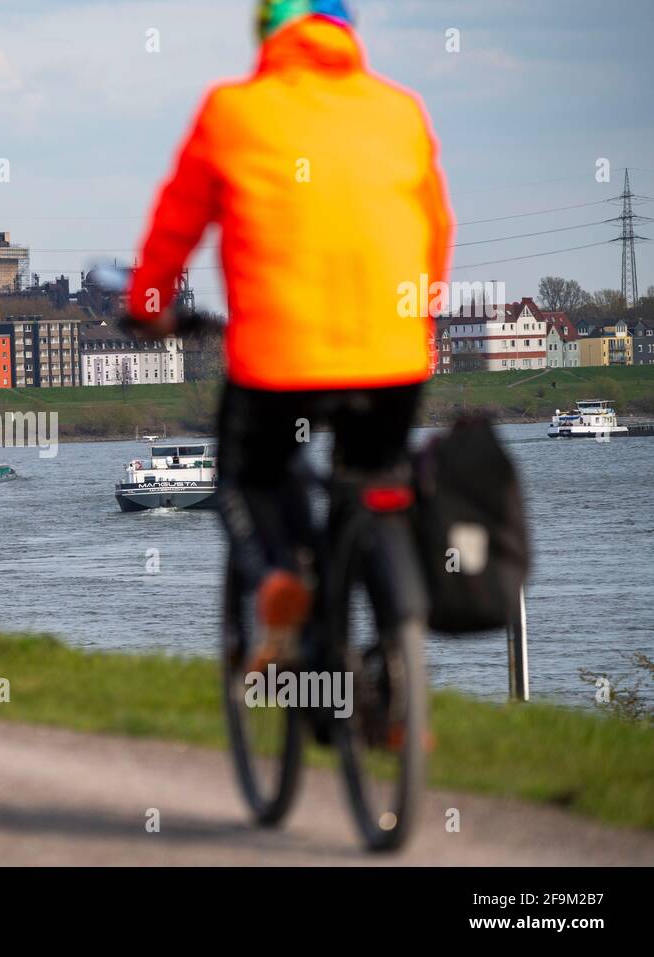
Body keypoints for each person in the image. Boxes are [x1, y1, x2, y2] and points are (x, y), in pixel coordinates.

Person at [126, 0, 453, 667]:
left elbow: (173, 231)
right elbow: (437, 233)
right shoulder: (400, 110)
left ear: (268, 32)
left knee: (246, 477)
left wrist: (149, 306)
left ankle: (280, 577)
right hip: (394, 359)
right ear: (346, 30)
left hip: (279, 363)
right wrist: (416, 317)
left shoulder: (233, 112)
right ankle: (396, 667)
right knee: (372, 480)